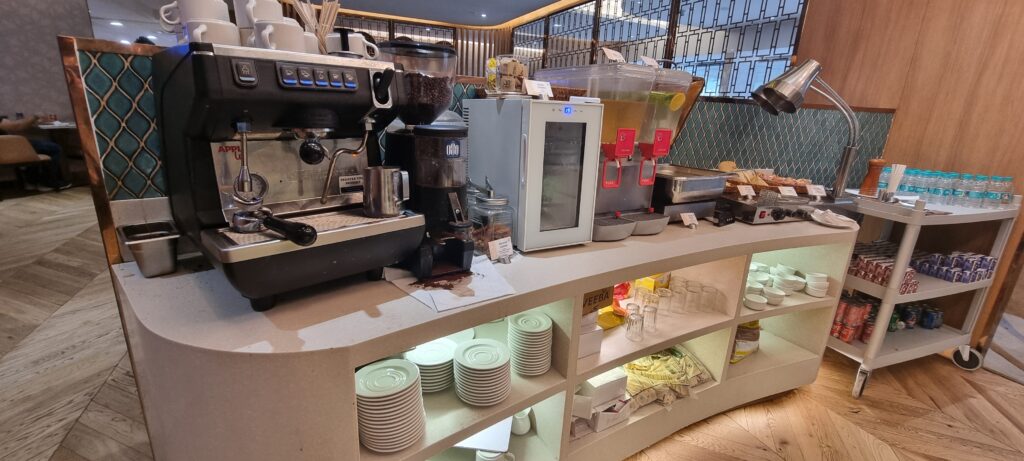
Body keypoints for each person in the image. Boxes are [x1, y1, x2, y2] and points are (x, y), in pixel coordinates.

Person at [0, 114, 72, 191]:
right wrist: (35, 116)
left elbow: (14, 124)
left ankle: (31, 181)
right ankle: (47, 182)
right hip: (7, 148)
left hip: (5, 149)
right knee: (54, 148)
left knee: (35, 150)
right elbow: (16, 126)